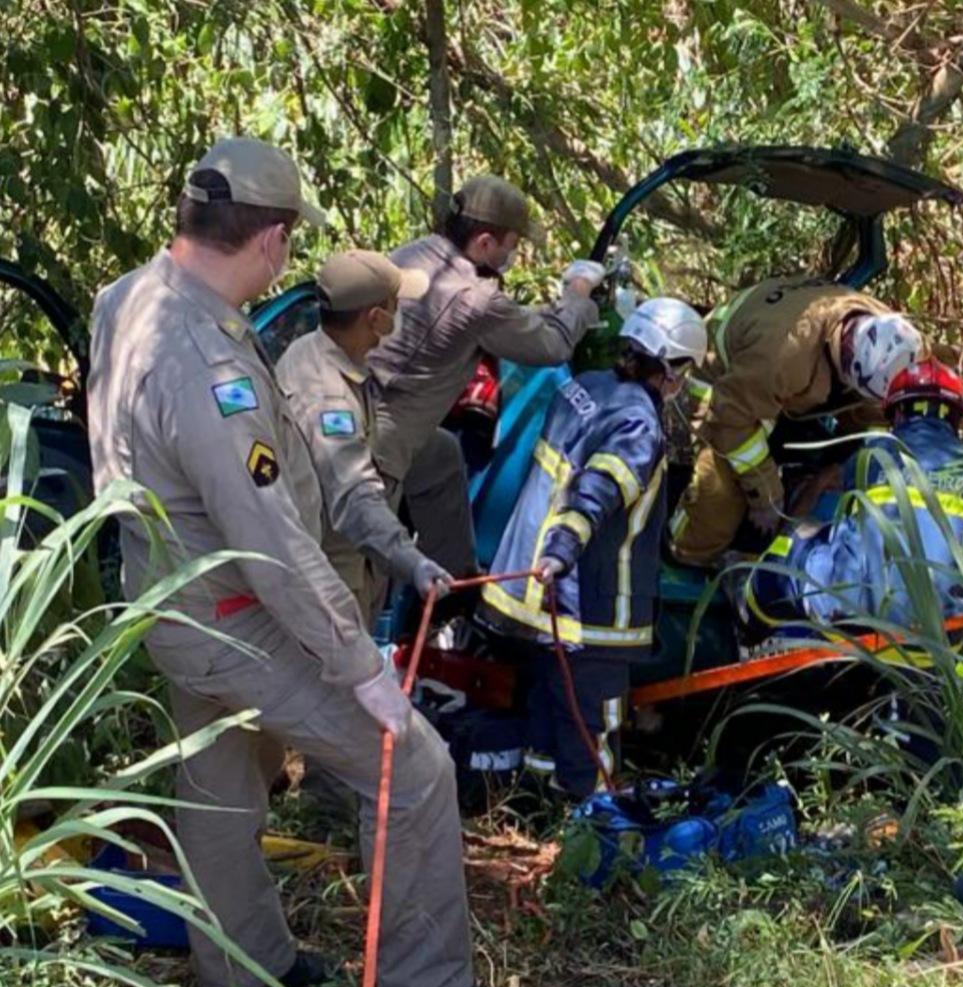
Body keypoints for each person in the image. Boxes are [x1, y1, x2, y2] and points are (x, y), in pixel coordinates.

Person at [86, 137, 517, 987]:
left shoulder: (127, 298)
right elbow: (273, 541)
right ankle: (424, 984)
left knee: (216, 778)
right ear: (274, 239)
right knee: (416, 769)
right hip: (238, 612)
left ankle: (240, 962)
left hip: (164, 599)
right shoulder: (209, 366)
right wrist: (360, 667)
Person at [478, 298, 705, 797]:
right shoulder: (639, 425)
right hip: (590, 608)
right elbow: (595, 494)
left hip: (529, 597)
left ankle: (539, 813)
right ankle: (593, 837)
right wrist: (560, 551)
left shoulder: (585, 387)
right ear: (670, 369)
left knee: (547, 715)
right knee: (591, 729)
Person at [368, 175, 604, 578]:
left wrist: (549, 310)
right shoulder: (473, 299)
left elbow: (503, 320)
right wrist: (578, 296)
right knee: (363, 571)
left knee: (443, 455)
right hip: (381, 442)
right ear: (484, 243)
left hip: (362, 407)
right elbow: (552, 347)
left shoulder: (414, 254)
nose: (512, 255)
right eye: (511, 246)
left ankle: (455, 584)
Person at [667, 275, 923, 567]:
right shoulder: (784, 354)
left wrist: (856, 465)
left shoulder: (896, 337)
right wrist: (766, 497)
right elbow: (730, 418)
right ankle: (684, 551)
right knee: (719, 500)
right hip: (723, 389)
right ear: (847, 360)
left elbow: (874, 415)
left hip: (775, 382)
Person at [742, 359, 963, 635]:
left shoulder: (876, 452)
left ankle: (748, 623)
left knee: (791, 549)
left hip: (854, 614)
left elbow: (827, 483)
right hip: (940, 638)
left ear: (897, 413)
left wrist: (793, 518)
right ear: (957, 417)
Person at [276, 250, 453, 623]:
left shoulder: (310, 351)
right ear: (377, 318)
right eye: (395, 305)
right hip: (335, 581)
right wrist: (412, 561)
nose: (400, 313)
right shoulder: (328, 398)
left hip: (341, 566)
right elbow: (354, 495)